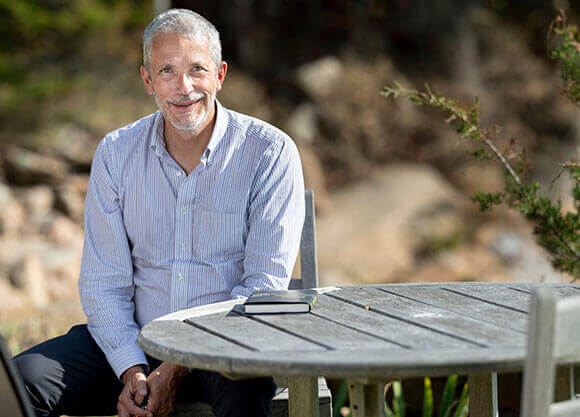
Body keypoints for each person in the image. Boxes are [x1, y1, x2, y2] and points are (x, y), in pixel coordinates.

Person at [13, 8, 305, 417]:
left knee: (247, 386)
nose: (184, 88)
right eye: (167, 71)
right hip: (134, 341)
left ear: (220, 74)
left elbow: (261, 290)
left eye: (197, 69)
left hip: (224, 345)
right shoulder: (116, 154)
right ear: (148, 80)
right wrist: (131, 370)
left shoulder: (269, 153)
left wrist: (175, 366)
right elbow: (104, 284)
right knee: (20, 381)